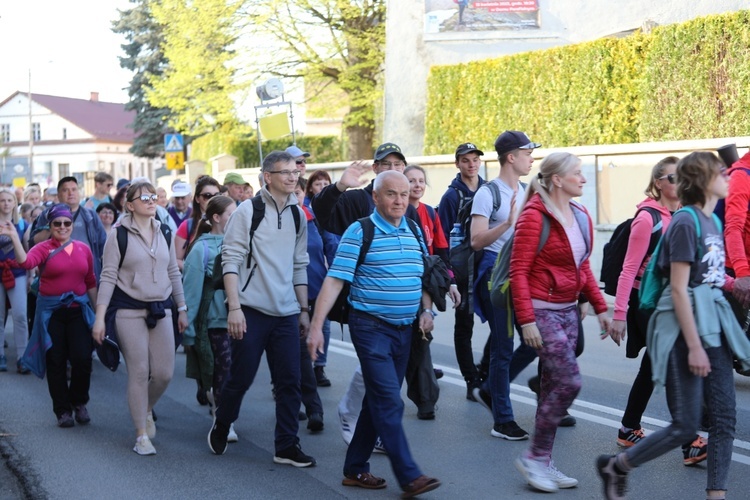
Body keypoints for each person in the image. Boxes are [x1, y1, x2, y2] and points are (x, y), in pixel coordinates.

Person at [598, 151, 750, 500]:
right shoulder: (685, 222)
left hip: (714, 327)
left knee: (725, 420)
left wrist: (734, 284)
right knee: (684, 425)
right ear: (702, 180)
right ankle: (617, 466)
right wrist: (695, 346)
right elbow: (679, 289)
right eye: (720, 172)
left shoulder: (711, 223)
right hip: (686, 334)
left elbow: (709, 277)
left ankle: (717, 495)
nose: (728, 176)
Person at [307, 170, 441, 498]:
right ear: (376, 198)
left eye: (404, 194)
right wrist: (315, 328)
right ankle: (410, 476)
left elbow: (422, 274)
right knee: (389, 402)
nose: (399, 200)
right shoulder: (360, 230)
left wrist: (426, 309)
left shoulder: (412, 228)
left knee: (376, 402)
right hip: (371, 329)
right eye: (391, 194)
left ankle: (354, 469)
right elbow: (335, 279)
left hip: (404, 331)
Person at [312, 142, 439, 429]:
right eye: (386, 164)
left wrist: (426, 307)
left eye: (398, 165)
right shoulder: (358, 201)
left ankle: (366, 429)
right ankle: (388, 439)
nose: (394, 170)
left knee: (386, 374)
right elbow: (323, 215)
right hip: (367, 309)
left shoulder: (410, 211)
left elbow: (420, 262)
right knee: (384, 386)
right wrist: (338, 187)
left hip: (406, 312)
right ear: (375, 171)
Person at [207, 150, 315, 468]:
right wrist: (234, 308)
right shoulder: (247, 212)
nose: (293, 177)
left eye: (296, 172)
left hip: (286, 312)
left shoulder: (298, 215)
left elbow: (299, 264)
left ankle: (286, 445)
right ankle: (223, 423)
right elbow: (231, 260)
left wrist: (304, 310)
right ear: (268, 177)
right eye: (286, 172)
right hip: (251, 310)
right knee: (240, 378)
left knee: (289, 382)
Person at [509, 152, 609, 492]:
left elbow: (582, 268)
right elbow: (518, 271)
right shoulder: (534, 217)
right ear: (556, 180)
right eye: (577, 173)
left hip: (568, 311)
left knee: (552, 387)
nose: (582, 179)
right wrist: (526, 321)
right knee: (569, 381)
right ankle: (534, 457)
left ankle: (543, 460)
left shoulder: (580, 214)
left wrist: (601, 308)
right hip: (541, 311)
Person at [608, 156, 706, 462]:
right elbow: (628, 269)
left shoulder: (683, 214)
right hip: (648, 304)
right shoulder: (647, 219)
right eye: (673, 178)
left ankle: (628, 428)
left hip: (671, 301)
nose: (680, 183)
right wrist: (620, 314)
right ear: (658, 184)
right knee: (672, 363)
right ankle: (689, 440)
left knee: (652, 367)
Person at [92, 180, 188, 456]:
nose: (150, 200)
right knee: (138, 370)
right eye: (142, 197)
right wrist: (100, 318)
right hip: (127, 309)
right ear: (130, 205)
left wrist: (181, 307)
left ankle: (145, 408)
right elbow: (108, 276)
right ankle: (141, 435)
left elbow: (173, 271)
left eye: (152, 196)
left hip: (162, 307)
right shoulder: (118, 234)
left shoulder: (165, 231)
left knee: (164, 373)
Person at [470, 131, 540, 440]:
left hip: (523, 276)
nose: (532, 158)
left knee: (535, 340)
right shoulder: (488, 193)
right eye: (527, 152)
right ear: (511, 157)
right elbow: (475, 241)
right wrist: (509, 222)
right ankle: (503, 419)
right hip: (496, 277)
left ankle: (491, 388)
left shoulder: (529, 190)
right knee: (502, 346)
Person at [2, 204, 97, 427]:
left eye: (67, 223)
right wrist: (15, 238)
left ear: (72, 225)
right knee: (55, 360)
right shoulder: (44, 248)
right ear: (50, 225)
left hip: (78, 311)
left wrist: (100, 314)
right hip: (51, 312)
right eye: (57, 223)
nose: (62, 227)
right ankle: (63, 411)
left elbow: (91, 281)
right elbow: (26, 262)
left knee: (83, 358)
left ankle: (79, 402)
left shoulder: (83, 248)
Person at [182, 194, 238, 442]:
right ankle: (222, 418)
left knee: (236, 371)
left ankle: (226, 414)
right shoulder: (201, 248)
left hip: (242, 319)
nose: (236, 219)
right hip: (215, 320)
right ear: (216, 217)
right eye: (231, 214)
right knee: (221, 370)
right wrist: (188, 330)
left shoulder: (241, 243)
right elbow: (191, 293)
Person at [437, 142, 488, 399]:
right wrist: (450, 276)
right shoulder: (451, 197)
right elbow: (441, 238)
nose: (471, 164)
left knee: (501, 323)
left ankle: (485, 372)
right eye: (465, 160)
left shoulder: (489, 191)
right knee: (464, 326)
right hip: (463, 270)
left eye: (475, 159)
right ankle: (471, 381)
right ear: (457, 163)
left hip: (488, 266)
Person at [292, 178, 325, 429]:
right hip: (282, 298)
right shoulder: (273, 222)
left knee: (305, 355)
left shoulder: (314, 218)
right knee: (292, 357)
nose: (295, 196)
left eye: (299, 191)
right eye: (290, 191)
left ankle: (314, 409)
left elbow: (330, 244)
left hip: (313, 292)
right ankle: (295, 406)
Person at [31, 177, 107, 280]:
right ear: (58, 195)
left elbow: (103, 245)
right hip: (57, 274)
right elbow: (35, 242)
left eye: (74, 189)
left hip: (88, 273)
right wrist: (52, 223)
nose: (71, 193)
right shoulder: (46, 215)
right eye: (65, 190)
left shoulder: (91, 215)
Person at [304, 169, 338, 385]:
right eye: (318, 184)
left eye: (326, 183)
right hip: (287, 287)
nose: (322, 188)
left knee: (322, 323)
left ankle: (319, 367)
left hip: (317, 280)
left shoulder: (317, 216)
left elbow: (331, 244)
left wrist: (336, 274)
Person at [0, 188, 29, 374]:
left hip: (18, 272)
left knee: (20, 315)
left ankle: (22, 356)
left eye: (9, 200)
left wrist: (31, 276)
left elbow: (28, 252)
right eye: (2, 200)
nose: (6, 203)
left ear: (14, 202)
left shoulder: (22, 224)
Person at [175, 176, 220, 271]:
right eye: (207, 196)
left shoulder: (228, 222)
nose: (212, 199)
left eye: (216, 195)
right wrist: (195, 271)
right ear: (197, 199)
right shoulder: (187, 226)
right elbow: (177, 259)